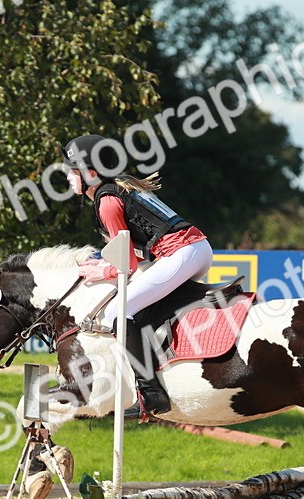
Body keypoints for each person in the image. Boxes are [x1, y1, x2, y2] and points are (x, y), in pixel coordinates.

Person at [62, 134, 214, 419]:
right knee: (140, 306)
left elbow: (127, 265)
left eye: (73, 171)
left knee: (119, 310)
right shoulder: (117, 189)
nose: (69, 177)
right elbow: (135, 251)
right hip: (192, 250)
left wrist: (102, 269)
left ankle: (150, 392)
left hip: (182, 253)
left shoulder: (107, 201)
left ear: (91, 174)